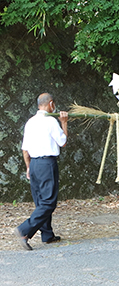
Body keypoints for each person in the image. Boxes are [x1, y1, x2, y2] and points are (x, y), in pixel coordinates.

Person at [14, 93, 68, 250]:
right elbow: (62, 142)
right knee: (48, 202)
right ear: (51, 104)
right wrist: (64, 123)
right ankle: (24, 230)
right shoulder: (51, 121)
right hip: (47, 164)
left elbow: (25, 149)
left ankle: (47, 234)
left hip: (35, 164)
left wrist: (28, 167)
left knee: (40, 201)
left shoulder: (30, 122)